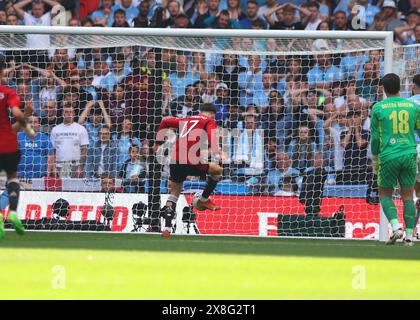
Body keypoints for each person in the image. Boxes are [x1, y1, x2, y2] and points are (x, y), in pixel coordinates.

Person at [154, 103, 223, 238]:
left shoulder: (185, 120)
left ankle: (167, 227)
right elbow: (211, 136)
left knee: (174, 193)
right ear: (212, 114)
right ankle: (203, 199)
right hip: (191, 159)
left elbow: (165, 121)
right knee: (217, 170)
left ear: (200, 111)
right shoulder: (209, 121)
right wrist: (216, 152)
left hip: (176, 160)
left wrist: (158, 142)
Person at [370, 73, 420, 246]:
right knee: (408, 196)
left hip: (388, 156)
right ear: (401, 86)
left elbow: (375, 138)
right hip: (409, 155)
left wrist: (375, 156)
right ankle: (409, 236)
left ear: (384, 89)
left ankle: (396, 226)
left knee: (384, 193)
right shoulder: (412, 106)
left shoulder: (378, 108)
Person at [0, 57, 36, 240]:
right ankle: (12, 212)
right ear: (3, 71)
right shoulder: (7, 92)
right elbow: (15, 115)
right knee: (13, 179)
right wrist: (27, 121)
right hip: (6, 145)